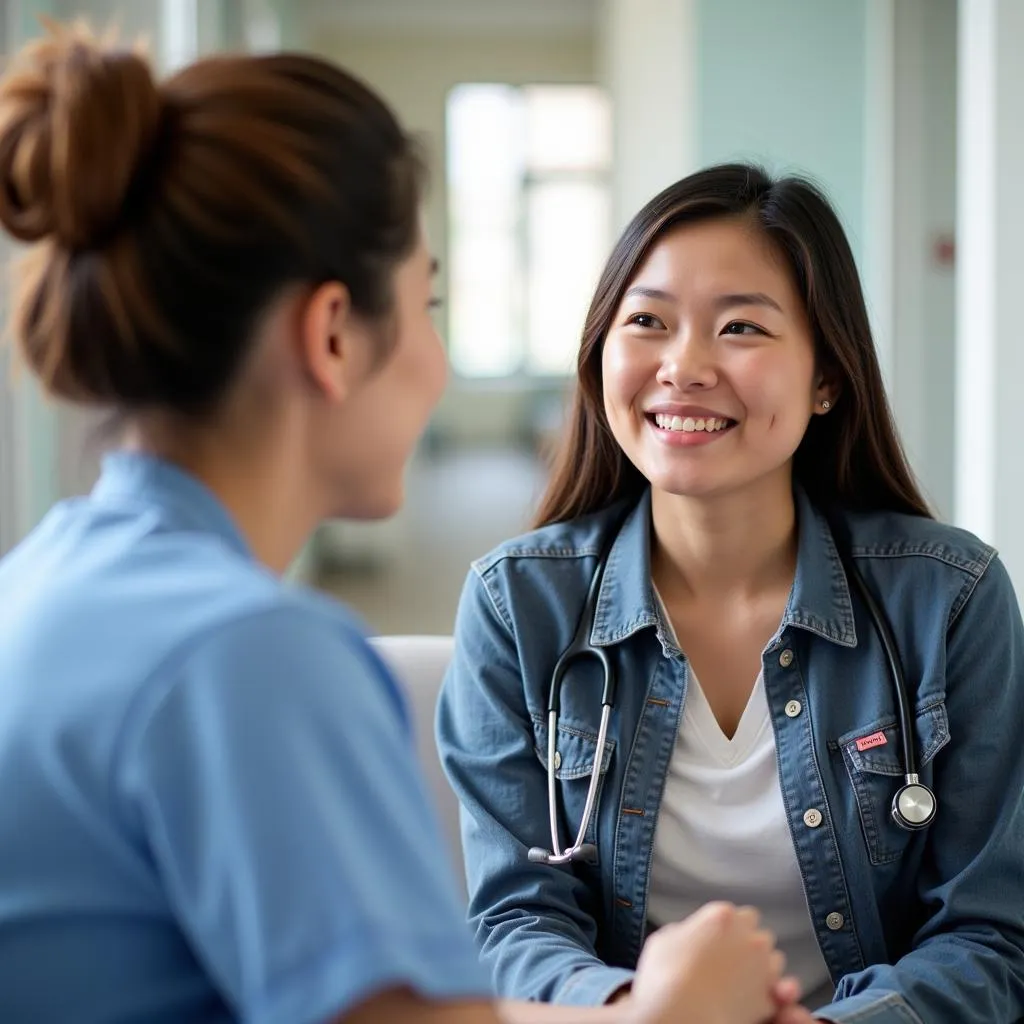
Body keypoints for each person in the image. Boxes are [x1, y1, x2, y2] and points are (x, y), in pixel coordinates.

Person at [0, 23, 804, 1024]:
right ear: (333, 334)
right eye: (424, 303)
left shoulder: (38, 588)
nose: (437, 359)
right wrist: (670, 1015)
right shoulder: (248, 654)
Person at [436, 162, 1024, 1024]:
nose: (685, 367)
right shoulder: (514, 606)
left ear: (827, 376)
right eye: (647, 322)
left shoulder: (952, 600)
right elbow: (512, 924)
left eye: (741, 326)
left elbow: (990, 939)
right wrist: (648, 1011)